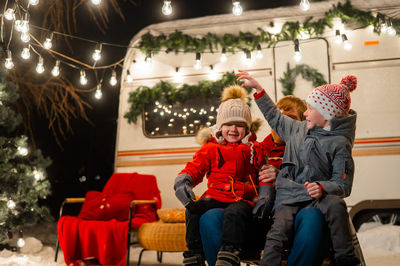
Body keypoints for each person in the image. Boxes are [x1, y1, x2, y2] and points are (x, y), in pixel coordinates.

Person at [237, 70, 360, 266]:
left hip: (316, 197)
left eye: (310, 109)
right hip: (290, 195)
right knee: (278, 232)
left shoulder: (339, 143)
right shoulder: (296, 129)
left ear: (326, 114)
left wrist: (322, 187)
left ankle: (345, 259)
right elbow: (274, 117)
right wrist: (259, 91)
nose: (305, 113)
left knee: (337, 205)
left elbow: (342, 184)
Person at [199, 95, 327, 266]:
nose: (281, 123)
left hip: (293, 216)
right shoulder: (256, 149)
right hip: (258, 218)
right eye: (277, 117)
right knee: (210, 217)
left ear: (302, 122)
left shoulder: (311, 147)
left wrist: (281, 176)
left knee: (313, 216)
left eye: (289, 119)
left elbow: (320, 182)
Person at [174, 85, 270, 266]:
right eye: (228, 124)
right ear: (220, 127)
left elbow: (264, 174)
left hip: (242, 197)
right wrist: (183, 181)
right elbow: (195, 167)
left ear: (247, 128)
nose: (233, 129)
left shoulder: (254, 149)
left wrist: (265, 196)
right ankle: (194, 253)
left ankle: (228, 253)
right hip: (216, 195)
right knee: (193, 209)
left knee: (235, 212)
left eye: (240, 125)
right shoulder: (211, 148)